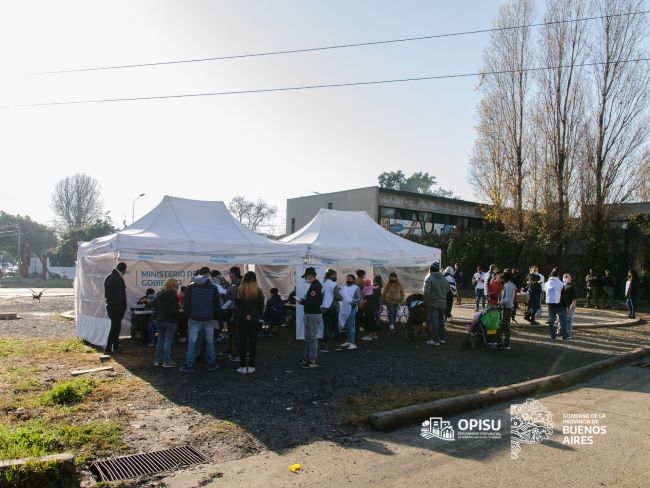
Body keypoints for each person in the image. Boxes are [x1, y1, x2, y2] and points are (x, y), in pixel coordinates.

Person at [180, 267, 221, 372]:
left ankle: (189, 366)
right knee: (210, 342)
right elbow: (217, 305)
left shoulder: (191, 287)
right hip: (208, 319)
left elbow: (186, 304)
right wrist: (213, 316)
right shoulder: (213, 288)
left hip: (194, 318)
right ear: (208, 274)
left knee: (192, 343)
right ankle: (212, 364)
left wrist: (188, 315)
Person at [235, 271, 265, 374]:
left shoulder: (239, 290)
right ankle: (251, 366)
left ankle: (243, 366)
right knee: (253, 342)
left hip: (242, 319)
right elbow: (261, 307)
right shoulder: (259, 291)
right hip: (254, 319)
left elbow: (237, 306)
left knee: (242, 342)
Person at [298, 267, 323, 369]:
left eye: (306, 276)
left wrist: (303, 302)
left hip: (313, 314)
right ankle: (308, 358)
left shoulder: (315, 286)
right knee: (309, 338)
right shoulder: (315, 285)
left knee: (312, 338)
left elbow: (314, 303)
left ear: (310, 275)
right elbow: (314, 302)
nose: (306, 279)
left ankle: (312, 360)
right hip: (311, 314)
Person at [153, 279, 180, 367]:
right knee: (167, 341)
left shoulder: (159, 294)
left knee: (160, 341)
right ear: (174, 286)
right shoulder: (173, 295)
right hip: (170, 320)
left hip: (159, 319)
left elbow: (156, 308)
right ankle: (167, 362)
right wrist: (177, 318)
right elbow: (174, 310)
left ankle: (157, 360)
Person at [103, 262, 127, 355]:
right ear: (124, 269)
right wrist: (123, 307)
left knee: (115, 327)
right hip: (117, 307)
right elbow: (120, 296)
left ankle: (114, 347)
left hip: (110, 306)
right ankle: (109, 348)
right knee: (115, 328)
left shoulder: (108, 277)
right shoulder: (118, 279)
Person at [423, 262, 449, 346]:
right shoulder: (444, 279)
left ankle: (435, 340)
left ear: (431, 269)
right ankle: (442, 338)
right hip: (442, 303)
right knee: (441, 322)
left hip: (432, 304)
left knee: (434, 322)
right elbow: (447, 290)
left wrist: (426, 302)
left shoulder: (429, 278)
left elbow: (426, 292)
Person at [320, 269, 343, 351]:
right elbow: (338, 297)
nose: (336, 277)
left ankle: (325, 346)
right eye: (335, 275)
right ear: (330, 276)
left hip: (324, 309)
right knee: (335, 327)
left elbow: (322, 296)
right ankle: (337, 345)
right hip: (332, 308)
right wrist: (341, 296)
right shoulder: (333, 284)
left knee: (326, 328)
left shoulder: (324, 283)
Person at [544, 269, 569, 340]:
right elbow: (564, 296)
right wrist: (566, 306)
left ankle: (553, 336)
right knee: (563, 322)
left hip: (550, 305)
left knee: (551, 321)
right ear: (558, 275)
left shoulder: (547, 283)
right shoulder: (561, 283)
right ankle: (564, 336)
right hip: (560, 305)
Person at [338, 274, 361, 350]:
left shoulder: (356, 288)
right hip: (345, 308)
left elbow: (359, 298)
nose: (348, 280)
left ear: (353, 280)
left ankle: (353, 343)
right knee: (347, 325)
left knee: (350, 325)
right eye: (347, 278)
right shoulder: (344, 287)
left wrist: (354, 301)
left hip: (352, 308)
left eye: (350, 278)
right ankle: (348, 341)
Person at [224, 267, 242, 361]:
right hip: (229, 311)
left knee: (236, 333)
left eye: (230, 273)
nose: (229, 275)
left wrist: (225, 295)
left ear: (233, 274)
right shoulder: (232, 283)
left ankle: (237, 353)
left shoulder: (239, 284)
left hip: (235, 312)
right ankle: (231, 349)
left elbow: (237, 298)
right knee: (231, 332)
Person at [497, 270, 516, 349]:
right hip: (505, 307)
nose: (502, 279)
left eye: (503, 277)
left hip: (506, 308)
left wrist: (499, 302)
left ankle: (506, 343)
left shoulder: (508, 286)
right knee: (503, 325)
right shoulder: (509, 285)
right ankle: (501, 342)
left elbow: (508, 298)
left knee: (505, 326)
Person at [360, 275, 382, 341]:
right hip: (374, 306)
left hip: (369, 306)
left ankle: (369, 335)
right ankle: (374, 334)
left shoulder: (374, 287)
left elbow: (370, 296)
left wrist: (365, 296)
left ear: (375, 280)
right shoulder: (378, 287)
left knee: (369, 320)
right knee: (372, 320)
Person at [563, 273, 577, 339]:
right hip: (563, 305)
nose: (565, 278)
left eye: (567, 277)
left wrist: (572, 305)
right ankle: (563, 332)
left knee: (569, 320)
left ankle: (568, 334)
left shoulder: (572, 286)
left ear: (570, 278)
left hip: (569, 305)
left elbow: (575, 297)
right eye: (564, 277)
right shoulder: (562, 285)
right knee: (563, 319)